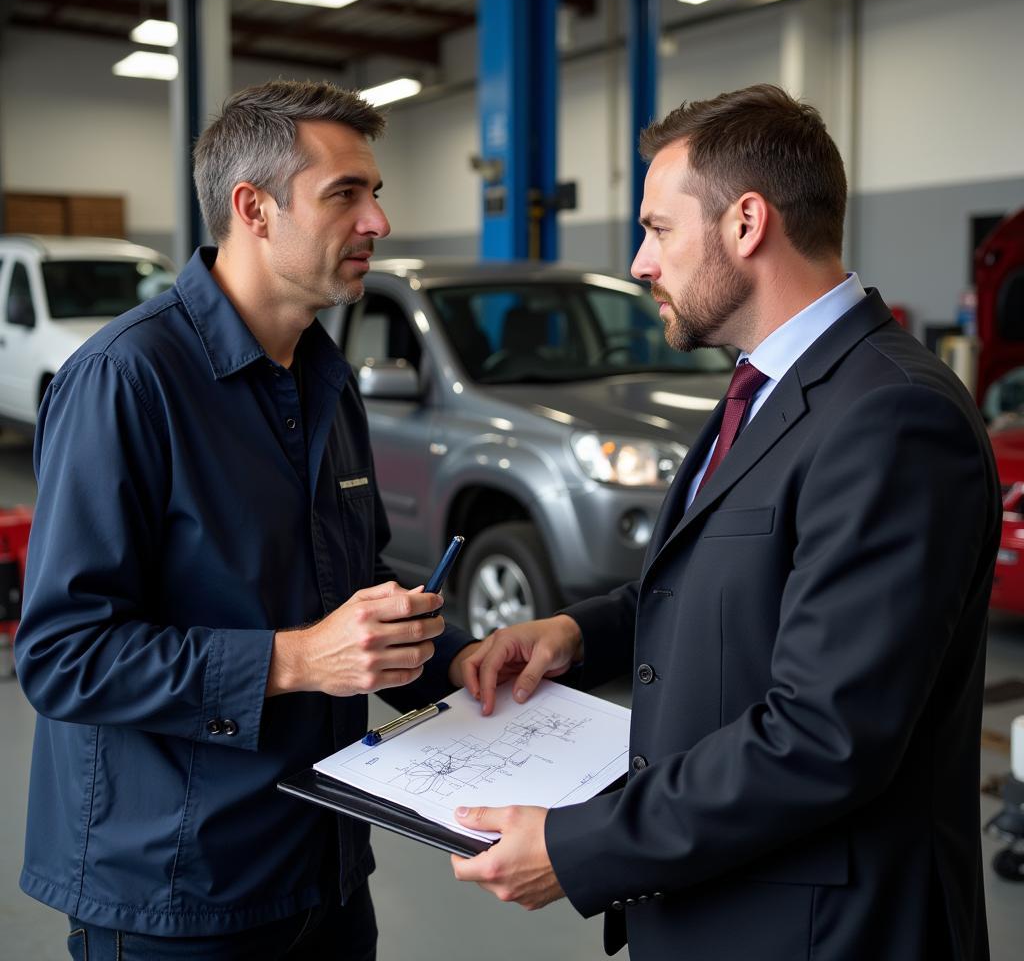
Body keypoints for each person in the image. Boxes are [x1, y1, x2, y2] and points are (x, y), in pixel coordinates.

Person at [451, 84, 999, 961]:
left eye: (658, 230)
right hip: (724, 905)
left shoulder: (892, 417)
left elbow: (825, 736)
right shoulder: (765, 387)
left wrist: (577, 845)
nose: (640, 262)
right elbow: (721, 585)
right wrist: (573, 634)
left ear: (747, 225)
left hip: (817, 932)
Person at [15, 79, 479, 960]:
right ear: (253, 208)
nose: (377, 220)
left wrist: (458, 660)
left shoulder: (327, 382)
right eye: (347, 193)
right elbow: (62, 656)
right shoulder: (126, 381)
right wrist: (300, 658)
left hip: (326, 867)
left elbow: (355, 593)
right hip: (179, 893)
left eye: (376, 192)